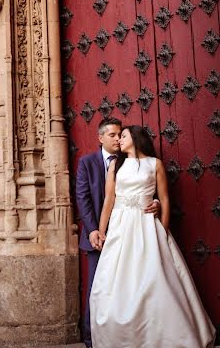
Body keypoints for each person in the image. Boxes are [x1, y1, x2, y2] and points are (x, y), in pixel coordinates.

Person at [90, 125, 216, 348]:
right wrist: (102, 230)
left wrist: (163, 231)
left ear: (136, 139)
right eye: (117, 136)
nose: (119, 139)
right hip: (120, 227)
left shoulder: (154, 164)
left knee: (155, 279)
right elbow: (109, 201)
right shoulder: (115, 166)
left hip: (146, 226)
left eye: (124, 135)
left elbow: (164, 199)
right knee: (112, 283)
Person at [76, 118, 159, 348]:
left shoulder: (131, 161)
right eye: (112, 135)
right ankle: (92, 339)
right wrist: (94, 230)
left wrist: (157, 203)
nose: (117, 138)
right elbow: (83, 198)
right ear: (100, 138)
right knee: (98, 287)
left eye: (120, 134)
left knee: (132, 285)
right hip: (99, 236)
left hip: (131, 233)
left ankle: (129, 337)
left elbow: (149, 187)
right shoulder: (87, 162)